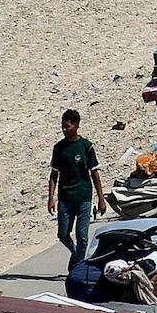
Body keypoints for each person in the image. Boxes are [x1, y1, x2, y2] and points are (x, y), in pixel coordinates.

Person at [49, 109, 102, 264]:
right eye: (63, 127)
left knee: (82, 236)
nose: (65, 130)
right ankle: (75, 253)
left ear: (77, 125)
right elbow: (53, 175)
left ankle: (78, 265)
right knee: (63, 234)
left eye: (68, 126)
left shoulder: (87, 146)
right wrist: (51, 198)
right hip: (65, 198)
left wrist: (101, 198)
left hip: (84, 197)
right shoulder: (58, 148)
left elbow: (95, 173)